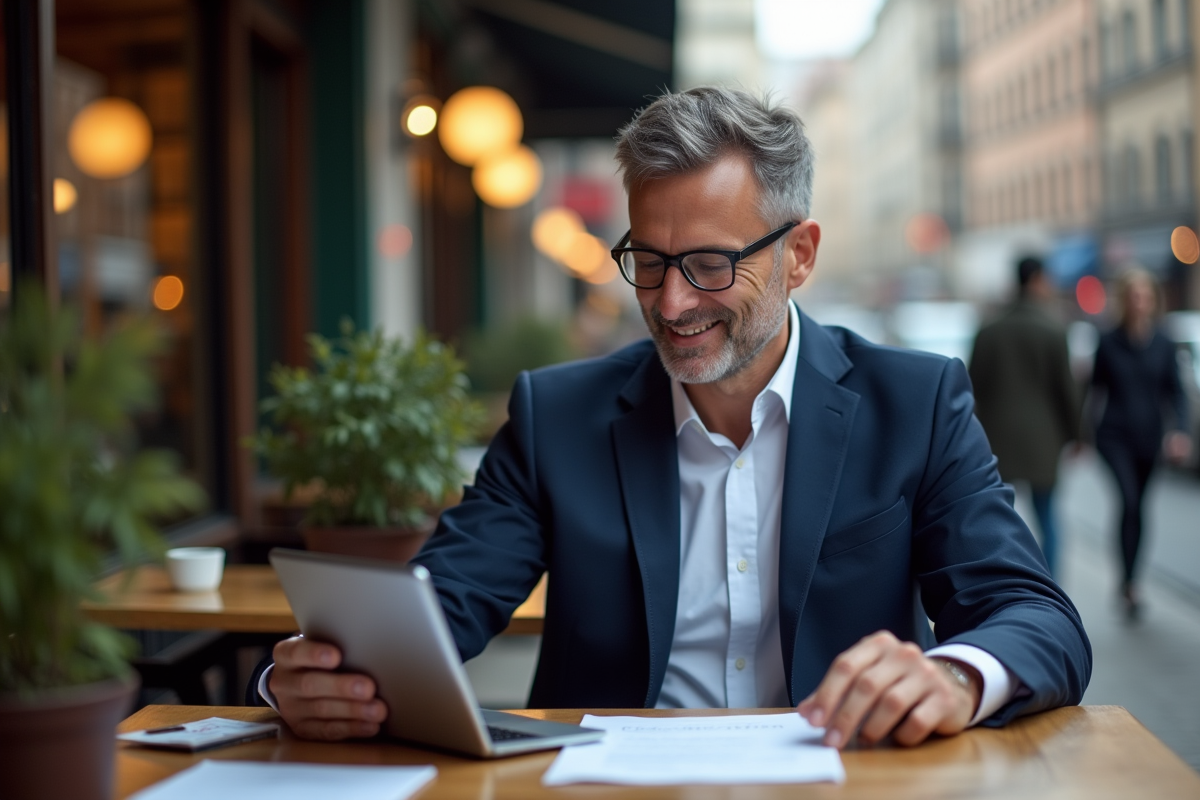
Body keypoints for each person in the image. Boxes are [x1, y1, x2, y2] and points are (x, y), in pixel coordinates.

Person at [259, 88, 1091, 748]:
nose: (670, 301)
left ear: (798, 255)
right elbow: (443, 603)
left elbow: (1039, 618)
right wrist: (315, 677)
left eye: (708, 264)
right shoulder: (560, 416)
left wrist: (953, 679)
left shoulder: (914, 403)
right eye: (648, 263)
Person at [968, 256, 1081, 579]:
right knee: (1048, 519)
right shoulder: (1053, 329)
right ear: (1036, 281)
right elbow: (1066, 390)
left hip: (997, 439)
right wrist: (1077, 435)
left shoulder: (990, 330)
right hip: (1044, 440)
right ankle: (1052, 586)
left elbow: (973, 383)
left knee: (1000, 517)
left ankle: (1006, 581)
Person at [1090, 268, 1191, 618]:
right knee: (1129, 502)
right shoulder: (1108, 340)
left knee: (1140, 508)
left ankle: (1130, 579)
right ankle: (1130, 585)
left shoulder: (1164, 341)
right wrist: (1080, 434)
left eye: (1146, 296)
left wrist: (1180, 431)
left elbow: (1176, 392)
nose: (1140, 302)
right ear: (1125, 300)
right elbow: (1093, 390)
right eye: (1134, 296)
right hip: (1114, 436)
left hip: (1149, 439)